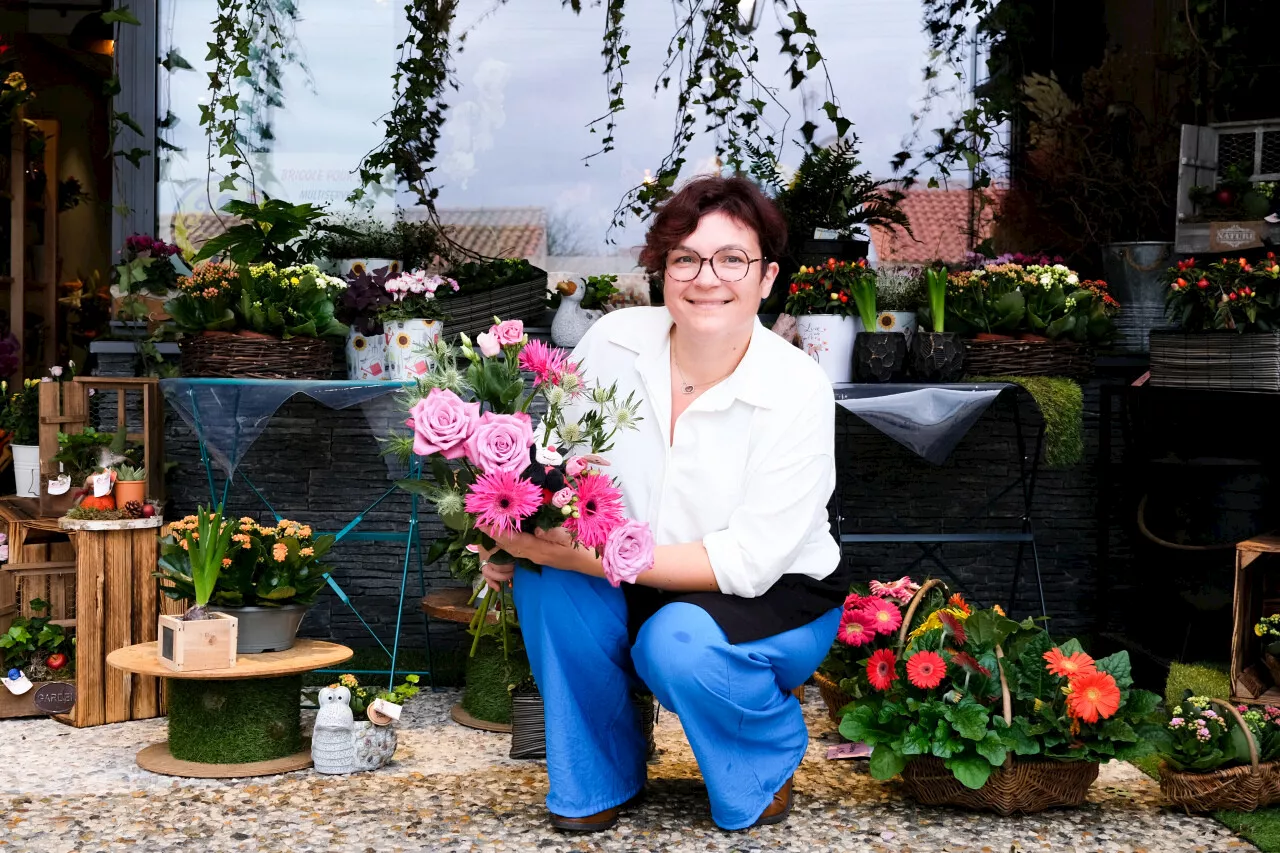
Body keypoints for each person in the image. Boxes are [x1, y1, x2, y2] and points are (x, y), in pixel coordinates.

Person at [480, 175, 848, 832]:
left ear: (766, 279)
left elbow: (749, 561)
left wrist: (582, 556)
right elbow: (555, 463)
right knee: (546, 583)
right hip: (632, 573)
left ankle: (762, 754)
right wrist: (511, 532)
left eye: (732, 258)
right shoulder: (614, 341)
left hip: (768, 596)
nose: (708, 276)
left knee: (675, 645)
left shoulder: (796, 386)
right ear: (663, 271)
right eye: (686, 257)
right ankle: (599, 772)